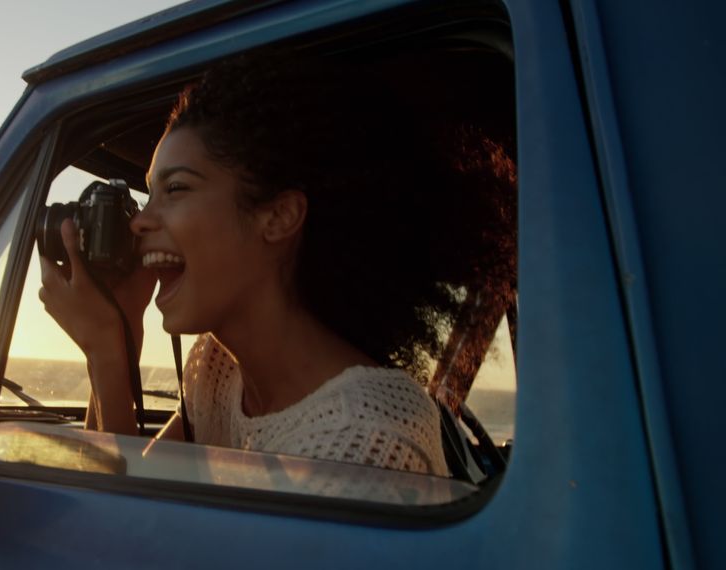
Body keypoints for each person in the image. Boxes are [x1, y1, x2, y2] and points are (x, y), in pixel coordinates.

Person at [38, 55, 516, 477]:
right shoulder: (219, 368)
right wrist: (118, 344)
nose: (140, 221)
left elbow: (122, 548)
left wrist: (106, 352)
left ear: (278, 216)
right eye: (148, 194)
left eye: (176, 189)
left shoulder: (364, 439)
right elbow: (137, 498)